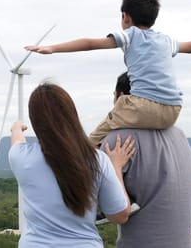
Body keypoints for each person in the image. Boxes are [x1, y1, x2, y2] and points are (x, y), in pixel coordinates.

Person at [25, 0, 191, 146]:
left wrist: (53, 48)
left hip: (143, 106)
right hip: (173, 111)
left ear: (125, 17)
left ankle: (84, 155)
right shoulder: (165, 40)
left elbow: (89, 43)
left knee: (99, 133)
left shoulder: (131, 35)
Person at [8, 82, 136, 248]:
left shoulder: (21, 158)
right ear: (72, 115)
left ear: (36, 122)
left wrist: (16, 128)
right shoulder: (97, 160)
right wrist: (116, 167)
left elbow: (17, 140)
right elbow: (119, 215)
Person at [101, 72, 191, 248]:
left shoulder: (117, 142)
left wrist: (114, 167)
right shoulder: (179, 134)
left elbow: (116, 214)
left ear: (122, 98)